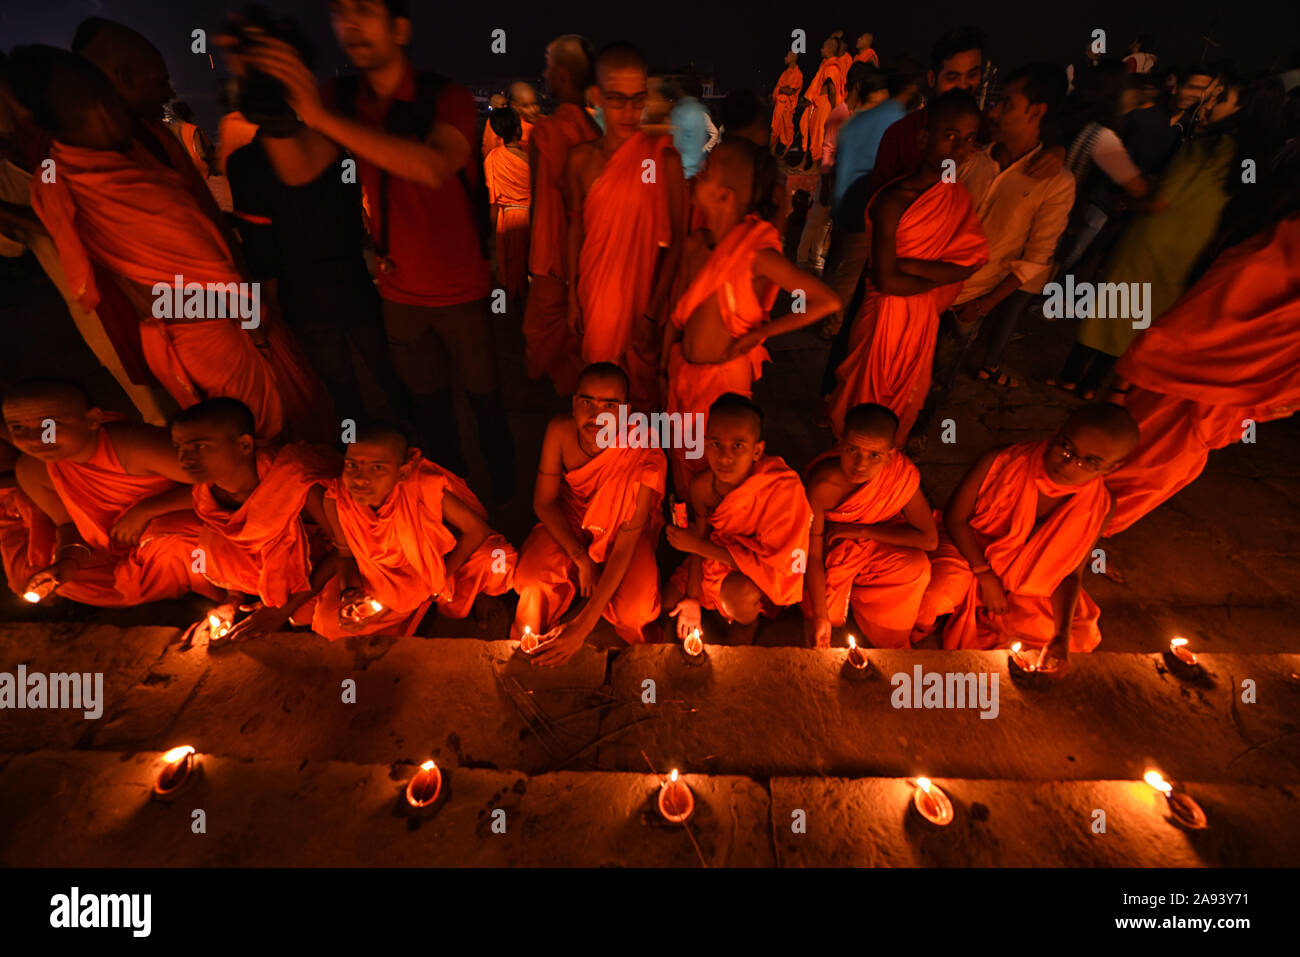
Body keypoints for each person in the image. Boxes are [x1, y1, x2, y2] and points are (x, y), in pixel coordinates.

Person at [239, 0, 516, 504]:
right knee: (428, 409)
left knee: (485, 401)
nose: (350, 23)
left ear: (400, 28)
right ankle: (447, 503)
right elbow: (301, 170)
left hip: (461, 287)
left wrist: (318, 113)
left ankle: (505, 498)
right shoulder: (340, 98)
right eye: (340, 12)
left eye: (364, 9)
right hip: (399, 289)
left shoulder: (444, 96)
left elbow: (433, 166)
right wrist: (272, 111)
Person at [13, 45, 326, 445]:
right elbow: (217, 279)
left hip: (171, 333)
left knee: (232, 439)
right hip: (214, 338)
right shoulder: (136, 189)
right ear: (102, 106)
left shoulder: (56, 176)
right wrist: (258, 323)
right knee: (263, 437)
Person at [1064, 72, 1283, 398]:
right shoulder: (1244, 161)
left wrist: (1131, 201)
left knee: (1111, 308)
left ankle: (1069, 375)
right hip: (1185, 251)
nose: (1209, 102)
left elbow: (1160, 201)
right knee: (1138, 320)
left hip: (1149, 240)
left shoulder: (1203, 148)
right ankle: (1095, 383)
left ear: (1244, 109)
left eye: (1220, 99)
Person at [1101, 210, 1300, 535]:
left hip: (1223, 411)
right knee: (1122, 464)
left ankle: (1079, 546)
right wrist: (1120, 388)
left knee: (1163, 477)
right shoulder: (1273, 253)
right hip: (1173, 390)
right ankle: (1060, 539)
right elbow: (1188, 322)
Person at [908, 63, 1075, 449]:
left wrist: (980, 307)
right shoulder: (972, 157)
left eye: (1006, 103)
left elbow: (1036, 259)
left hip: (968, 299)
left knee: (938, 377)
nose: (994, 111)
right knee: (900, 366)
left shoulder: (1056, 182)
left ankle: (914, 440)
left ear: (1036, 112)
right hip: (922, 286)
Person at [661, 139, 840, 492]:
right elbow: (678, 313)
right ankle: (689, 526)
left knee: (719, 466)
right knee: (682, 458)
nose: (697, 176)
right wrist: (663, 364)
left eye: (706, 171)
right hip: (683, 373)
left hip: (724, 384)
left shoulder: (755, 254)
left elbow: (825, 301)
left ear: (725, 197)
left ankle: (716, 533)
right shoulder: (698, 244)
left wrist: (760, 334)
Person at [913, 404, 1140, 671]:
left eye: (1089, 461)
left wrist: (1060, 635)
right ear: (1057, 432)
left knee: (1078, 635)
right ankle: (940, 619)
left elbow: (1069, 574)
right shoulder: (1003, 461)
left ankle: (974, 614)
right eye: (1065, 447)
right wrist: (985, 575)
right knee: (936, 595)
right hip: (970, 550)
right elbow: (955, 518)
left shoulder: (1100, 504)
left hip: (1029, 580)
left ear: (1112, 468)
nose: (1068, 463)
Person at [828, 91, 989, 442]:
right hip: (885, 317)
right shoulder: (893, 201)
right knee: (864, 401)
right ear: (922, 138)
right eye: (949, 136)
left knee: (903, 404)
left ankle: (881, 478)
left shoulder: (956, 196)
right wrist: (936, 272)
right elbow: (887, 281)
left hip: (922, 320)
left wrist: (912, 266)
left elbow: (968, 264)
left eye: (969, 140)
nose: (959, 149)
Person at [4, 380, 214, 606]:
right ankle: (180, 581)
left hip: (184, 529)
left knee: (176, 544)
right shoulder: (32, 470)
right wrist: (66, 565)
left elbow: (221, 482)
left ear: (92, 420)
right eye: (18, 428)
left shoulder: (132, 446)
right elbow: (69, 525)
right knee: (53, 576)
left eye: (49, 426)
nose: (35, 439)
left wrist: (146, 511)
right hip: (125, 545)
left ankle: (220, 592)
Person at [511, 363, 667, 666]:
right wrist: (581, 558)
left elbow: (625, 543)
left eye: (610, 405)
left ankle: (589, 610)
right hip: (571, 518)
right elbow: (544, 503)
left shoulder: (642, 447)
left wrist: (582, 627)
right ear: (573, 404)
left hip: (621, 530)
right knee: (532, 579)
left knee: (635, 610)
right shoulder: (560, 431)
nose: (597, 416)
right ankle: (547, 625)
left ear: (625, 412)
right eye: (587, 402)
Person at [312, 423, 515, 639]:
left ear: (403, 472)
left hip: (437, 565)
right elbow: (346, 555)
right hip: (385, 580)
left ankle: (477, 593)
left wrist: (442, 574)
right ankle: (421, 604)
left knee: (497, 558)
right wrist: (349, 595)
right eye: (352, 466)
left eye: (377, 468)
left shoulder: (421, 487)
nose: (361, 479)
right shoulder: (337, 499)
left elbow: (477, 530)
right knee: (329, 623)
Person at [566, 43, 685, 411]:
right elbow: (576, 230)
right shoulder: (581, 160)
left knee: (641, 401)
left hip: (642, 305)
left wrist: (651, 314)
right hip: (596, 298)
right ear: (597, 96)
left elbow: (675, 242)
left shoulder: (660, 158)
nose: (630, 112)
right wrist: (572, 296)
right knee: (599, 395)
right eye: (618, 100)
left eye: (638, 100)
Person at [172, 398, 340, 645]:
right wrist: (231, 601)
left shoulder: (295, 477)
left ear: (244, 445)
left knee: (307, 615)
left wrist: (282, 609)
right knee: (205, 544)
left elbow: (346, 549)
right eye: (178, 448)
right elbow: (236, 547)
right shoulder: (206, 493)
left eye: (200, 447)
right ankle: (262, 599)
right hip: (279, 569)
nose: (185, 459)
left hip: (326, 560)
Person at [665, 393, 812, 645]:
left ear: (757, 451)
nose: (724, 457)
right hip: (713, 557)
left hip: (757, 576)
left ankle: (748, 623)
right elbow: (697, 542)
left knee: (739, 598)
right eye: (715, 444)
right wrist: (691, 597)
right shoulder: (702, 487)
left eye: (738, 446)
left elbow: (774, 563)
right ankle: (713, 604)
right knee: (667, 604)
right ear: (705, 443)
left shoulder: (780, 486)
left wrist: (697, 546)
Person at [803, 403, 936, 649]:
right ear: (841, 443)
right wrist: (821, 616)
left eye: (874, 455)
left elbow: (929, 539)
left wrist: (862, 531)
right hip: (835, 552)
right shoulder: (823, 486)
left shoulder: (899, 474)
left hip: (881, 543)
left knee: (916, 567)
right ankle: (844, 602)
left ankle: (889, 635)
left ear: (890, 455)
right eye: (853, 450)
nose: (860, 464)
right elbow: (810, 554)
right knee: (824, 615)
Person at [522, 34, 600, 396]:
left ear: (564, 76)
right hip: (589, 260)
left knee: (540, 337)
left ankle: (549, 403)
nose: (544, 75)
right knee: (578, 338)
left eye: (548, 67)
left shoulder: (546, 131)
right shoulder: (597, 133)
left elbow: (539, 201)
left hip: (551, 256)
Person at [483, 107, 531, 310]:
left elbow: (491, 199)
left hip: (506, 218)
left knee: (509, 267)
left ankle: (507, 309)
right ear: (519, 130)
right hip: (530, 218)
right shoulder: (530, 158)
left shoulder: (493, 158)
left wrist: (492, 234)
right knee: (527, 267)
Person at [797, 34, 845, 171]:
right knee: (810, 133)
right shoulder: (825, 66)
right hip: (817, 104)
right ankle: (806, 163)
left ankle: (815, 166)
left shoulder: (832, 69)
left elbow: (833, 91)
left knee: (819, 136)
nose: (821, 49)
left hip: (825, 105)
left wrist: (835, 111)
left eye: (823, 47)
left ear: (830, 49)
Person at [670, 74, 713, 179]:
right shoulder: (704, 111)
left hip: (682, 173)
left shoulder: (679, 112)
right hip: (699, 173)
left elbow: (674, 146)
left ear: (681, 90)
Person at [771, 50, 803, 155]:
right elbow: (781, 88)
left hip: (787, 107)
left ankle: (785, 154)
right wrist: (782, 89)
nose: (785, 58)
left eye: (788, 56)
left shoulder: (798, 74)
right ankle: (772, 152)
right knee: (775, 130)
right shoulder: (785, 73)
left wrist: (781, 88)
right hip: (779, 105)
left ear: (793, 58)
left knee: (787, 129)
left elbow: (790, 91)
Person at [509, 80, 539, 147]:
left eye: (535, 104)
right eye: (525, 106)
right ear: (515, 106)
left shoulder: (547, 124)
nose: (533, 110)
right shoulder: (509, 132)